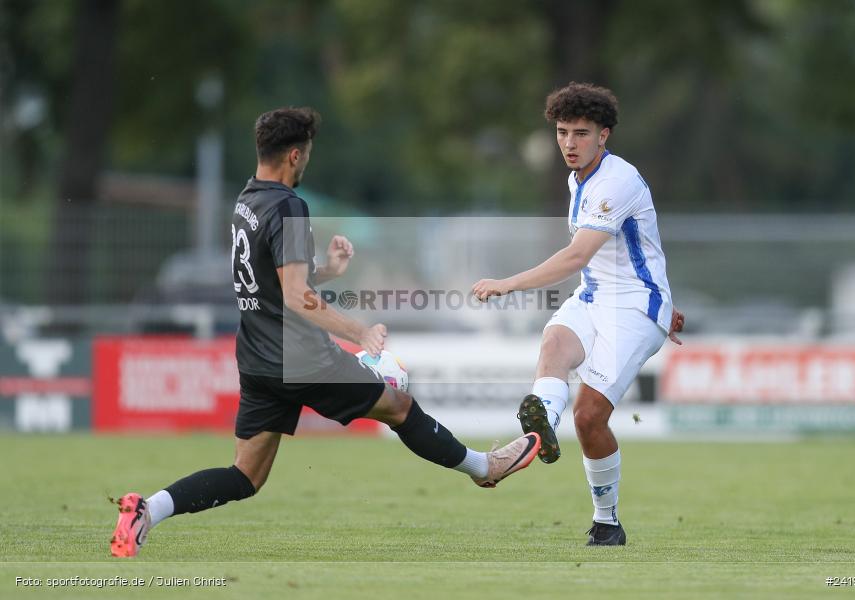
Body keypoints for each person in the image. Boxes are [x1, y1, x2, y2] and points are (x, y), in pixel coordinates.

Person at [110, 107, 540, 558]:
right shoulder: (289, 205)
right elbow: (295, 296)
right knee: (399, 406)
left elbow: (276, 280)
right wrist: (359, 331)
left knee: (245, 475)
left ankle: (148, 510)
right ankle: (484, 467)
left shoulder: (246, 202)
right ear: (295, 155)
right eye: (308, 155)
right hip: (299, 355)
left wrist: (328, 269)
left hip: (257, 357)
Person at [472, 83, 685, 546]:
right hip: (594, 296)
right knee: (553, 346)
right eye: (562, 133)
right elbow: (635, 248)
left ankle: (607, 520)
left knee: (589, 416)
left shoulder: (616, 181)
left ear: (604, 135)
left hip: (634, 308)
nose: (569, 143)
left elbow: (575, 257)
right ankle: (540, 429)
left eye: (581, 133)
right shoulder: (578, 178)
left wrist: (506, 283)